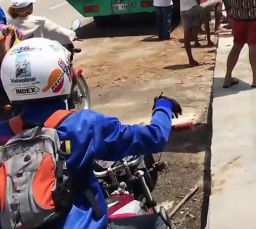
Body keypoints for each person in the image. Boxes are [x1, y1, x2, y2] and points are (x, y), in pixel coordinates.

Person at [0, 37, 183, 229]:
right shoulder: (84, 125)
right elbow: (155, 137)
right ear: (61, 76)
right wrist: (163, 105)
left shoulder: (4, 133)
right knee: (157, 223)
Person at [175, 0, 220, 67]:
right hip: (193, 7)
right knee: (218, 2)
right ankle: (218, 26)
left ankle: (191, 60)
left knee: (186, 34)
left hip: (183, 9)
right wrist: (199, 9)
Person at [7, 0, 76, 44]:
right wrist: (72, 34)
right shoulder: (39, 21)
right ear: (27, 8)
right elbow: (58, 31)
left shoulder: (9, 24)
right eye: (30, 5)